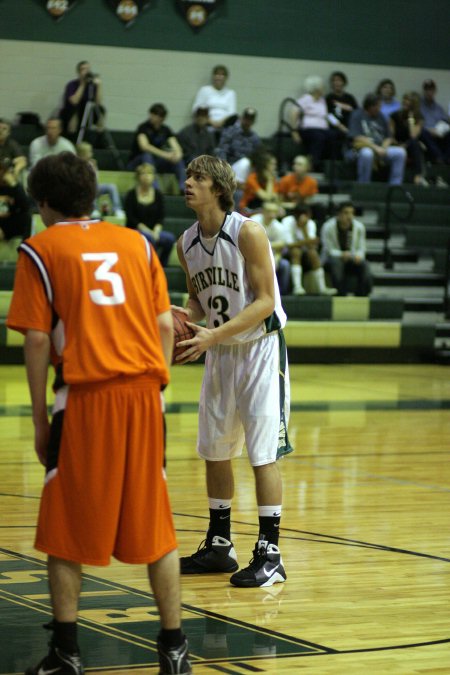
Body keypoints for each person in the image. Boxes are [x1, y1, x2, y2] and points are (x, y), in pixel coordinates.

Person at [6, 152, 191, 674]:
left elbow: (38, 340)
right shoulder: (136, 242)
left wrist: (42, 418)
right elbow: (162, 325)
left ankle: (66, 653)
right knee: (157, 522)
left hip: (86, 398)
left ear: (43, 203)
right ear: (92, 195)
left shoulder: (39, 249)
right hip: (145, 394)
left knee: (64, 524)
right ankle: (175, 650)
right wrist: (155, 388)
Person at [175, 154, 292, 588]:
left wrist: (212, 335)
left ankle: (271, 554)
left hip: (260, 348)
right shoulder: (185, 241)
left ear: (219, 188)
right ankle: (220, 545)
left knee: (262, 453)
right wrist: (183, 319)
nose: (188, 183)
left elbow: (264, 301)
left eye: (198, 177)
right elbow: (197, 302)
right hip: (221, 352)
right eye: (187, 176)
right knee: (215, 449)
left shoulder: (249, 232)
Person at [346, 93, 406, 184]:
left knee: (400, 153)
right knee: (367, 154)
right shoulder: (357, 114)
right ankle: (363, 185)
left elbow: (388, 137)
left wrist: (384, 148)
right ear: (370, 106)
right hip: (361, 148)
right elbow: (356, 137)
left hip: (380, 148)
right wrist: (376, 148)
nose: (379, 109)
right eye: (378, 106)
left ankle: (395, 186)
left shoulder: (380, 116)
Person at [124, 163, 176, 267]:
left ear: (153, 177)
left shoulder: (158, 194)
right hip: (135, 231)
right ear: (138, 177)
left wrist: (156, 230)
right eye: (143, 173)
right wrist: (148, 232)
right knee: (149, 238)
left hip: (153, 230)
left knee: (169, 239)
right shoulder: (131, 194)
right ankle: (150, 266)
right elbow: (131, 218)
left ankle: (161, 266)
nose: (146, 176)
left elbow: (161, 216)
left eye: (149, 173)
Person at [128, 103, 186, 192]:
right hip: (138, 162)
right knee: (147, 155)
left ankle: (183, 187)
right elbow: (145, 146)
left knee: (178, 160)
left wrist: (177, 154)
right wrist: (165, 155)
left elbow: (176, 146)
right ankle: (155, 189)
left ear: (162, 118)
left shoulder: (165, 130)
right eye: (153, 114)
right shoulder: (143, 128)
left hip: (156, 162)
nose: (153, 117)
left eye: (157, 115)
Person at [281, 204, 336, 295]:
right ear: (296, 216)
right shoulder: (287, 221)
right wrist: (307, 241)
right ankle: (297, 287)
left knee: (313, 253)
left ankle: (322, 288)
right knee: (296, 251)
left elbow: (311, 246)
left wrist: (304, 229)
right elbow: (289, 245)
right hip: (287, 253)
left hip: (305, 252)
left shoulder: (310, 223)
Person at [321, 201, 372, 296]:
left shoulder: (359, 227)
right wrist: (341, 254)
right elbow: (327, 249)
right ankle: (341, 294)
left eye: (352, 213)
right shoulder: (328, 226)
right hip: (332, 260)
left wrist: (358, 256)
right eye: (346, 213)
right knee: (337, 263)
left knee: (365, 265)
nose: (349, 216)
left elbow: (362, 247)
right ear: (339, 214)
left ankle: (362, 295)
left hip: (351, 258)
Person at [291, 75, 338, 170]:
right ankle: (313, 165)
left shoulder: (322, 100)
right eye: (322, 86)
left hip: (322, 129)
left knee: (334, 135)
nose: (324, 87)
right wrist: (294, 132)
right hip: (307, 129)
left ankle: (329, 166)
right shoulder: (306, 99)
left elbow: (327, 116)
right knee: (318, 137)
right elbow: (293, 112)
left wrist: (340, 125)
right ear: (316, 88)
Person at [250, 201, 291, 295]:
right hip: (253, 255)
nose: (271, 214)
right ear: (263, 211)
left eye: (274, 211)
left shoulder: (279, 227)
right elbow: (251, 242)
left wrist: (275, 259)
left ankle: (281, 294)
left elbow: (281, 245)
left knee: (285, 265)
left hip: (272, 254)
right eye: (269, 211)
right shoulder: (253, 221)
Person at [76, 141, 125, 217]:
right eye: (89, 152)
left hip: (95, 186)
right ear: (82, 154)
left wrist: (94, 168)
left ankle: (117, 209)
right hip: (83, 190)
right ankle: (94, 209)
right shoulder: (77, 165)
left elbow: (95, 178)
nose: (91, 154)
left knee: (111, 187)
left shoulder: (91, 163)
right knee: (91, 188)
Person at [216, 107, 262, 186]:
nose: (247, 122)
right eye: (246, 119)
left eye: (250, 120)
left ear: (253, 122)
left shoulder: (255, 138)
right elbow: (222, 150)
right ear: (242, 118)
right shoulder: (231, 132)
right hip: (230, 166)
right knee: (245, 162)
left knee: (248, 163)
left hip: (247, 169)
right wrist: (224, 169)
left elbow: (258, 156)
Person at [389, 92, 428, 185]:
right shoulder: (394, 115)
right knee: (417, 145)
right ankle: (419, 174)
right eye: (404, 100)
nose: (405, 103)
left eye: (408, 101)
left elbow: (413, 135)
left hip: (409, 146)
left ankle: (418, 175)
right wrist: (399, 145)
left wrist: (411, 119)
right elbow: (390, 135)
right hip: (396, 144)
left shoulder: (419, 118)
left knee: (415, 143)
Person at [59, 60, 105, 136]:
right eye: (83, 69)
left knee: (101, 110)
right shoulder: (72, 84)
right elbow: (74, 101)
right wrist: (83, 84)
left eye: (88, 69)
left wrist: (99, 86)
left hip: (87, 111)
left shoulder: (92, 86)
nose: (86, 72)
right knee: (74, 110)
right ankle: (73, 136)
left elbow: (98, 102)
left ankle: (99, 138)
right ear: (78, 72)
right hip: (72, 111)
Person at [192, 65, 237, 137]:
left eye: (222, 75)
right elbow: (196, 109)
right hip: (207, 123)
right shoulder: (204, 90)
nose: (219, 77)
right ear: (213, 76)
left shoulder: (231, 93)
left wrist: (220, 123)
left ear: (226, 78)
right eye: (217, 74)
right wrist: (211, 122)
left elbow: (232, 113)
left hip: (225, 125)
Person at [325, 71, 359, 158]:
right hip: (335, 127)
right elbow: (328, 115)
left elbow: (357, 112)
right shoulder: (329, 98)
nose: (337, 83)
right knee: (333, 136)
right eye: (334, 81)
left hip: (350, 126)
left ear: (344, 82)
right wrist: (340, 127)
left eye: (339, 80)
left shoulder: (350, 98)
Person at [0, 157, 32, 245]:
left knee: (27, 215)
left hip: (10, 225)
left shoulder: (14, 187)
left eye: (4, 171)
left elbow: (26, 206)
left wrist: (15, 185)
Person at [419, 79, 450, 164]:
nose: (429, 92)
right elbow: (416, 124)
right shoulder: (418, 106)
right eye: (427, 90)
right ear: (424, 91)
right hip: (426, 133)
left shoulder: (438, 108)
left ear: (435, 91)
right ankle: (439, 156)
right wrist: (429, 130)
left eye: (431, 90)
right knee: (422, 132)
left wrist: (440, 131)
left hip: (438, 133)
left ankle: (446, 158)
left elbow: (445, 122)